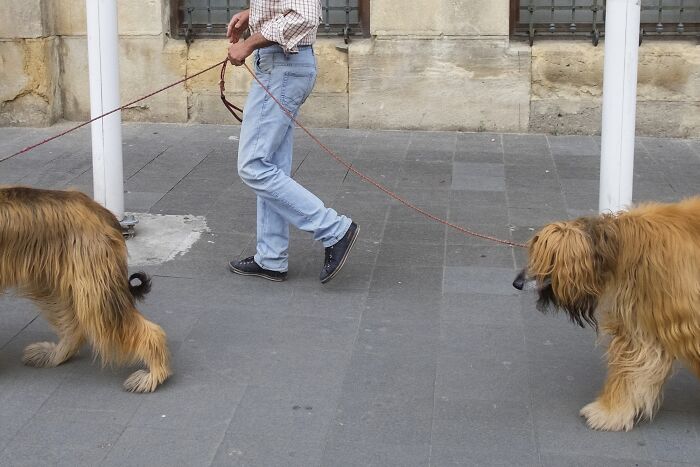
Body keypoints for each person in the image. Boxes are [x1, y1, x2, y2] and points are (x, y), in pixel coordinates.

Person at [225, 0, 359, 284]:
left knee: (253, 166)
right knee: (269, 164)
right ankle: (271, 258)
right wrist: (254, 14)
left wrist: (249, 44)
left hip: (282, 66)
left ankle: (334, 229)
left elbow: (305, 16)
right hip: (280, 65)